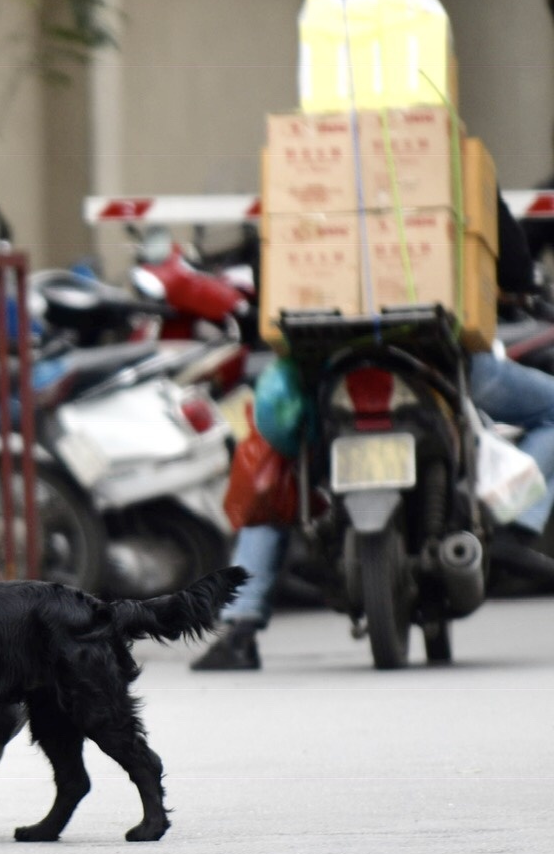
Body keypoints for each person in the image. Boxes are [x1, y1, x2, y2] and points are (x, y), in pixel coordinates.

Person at [196, 197, 554, 669]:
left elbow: (271, 276)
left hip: (324, 359)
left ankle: (239, 628)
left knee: (275, 460)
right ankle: (517, 522)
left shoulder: (303, 179)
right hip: (439, 354)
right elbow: (510, 260)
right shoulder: (448, 163)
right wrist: (519, 283)